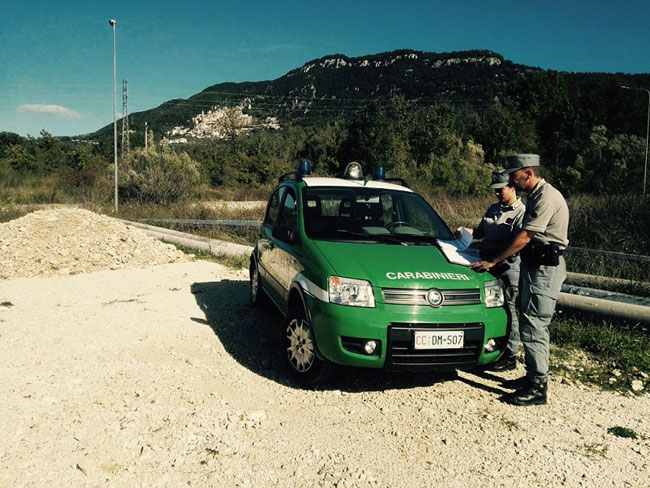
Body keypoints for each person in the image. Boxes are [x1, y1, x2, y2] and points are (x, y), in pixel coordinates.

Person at [469, 154, 569, 406]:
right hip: (535, 265)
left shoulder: (545, 197)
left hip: (545, 267)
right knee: (528, 320)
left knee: (534, 324)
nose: (511, 179)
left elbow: (525, 237)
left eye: (514, 175)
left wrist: (493, 261)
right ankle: (533, 377)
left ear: (528, 173)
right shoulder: (538, 194)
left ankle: (537, 387)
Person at [459, 169, 525, 371]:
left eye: (500, 190)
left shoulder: (521, 212)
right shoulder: (493, 210)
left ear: (512, 188)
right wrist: (465, 232)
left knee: (510, 309)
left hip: (507, 267)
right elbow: (481, 232)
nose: (497, 194)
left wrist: (495, 261)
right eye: (495, 190)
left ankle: (510, 354)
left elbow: (518, 244)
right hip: (487, 265)